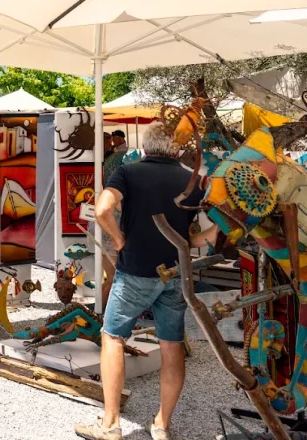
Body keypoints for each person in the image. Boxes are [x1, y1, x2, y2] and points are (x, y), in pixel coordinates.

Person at [75, 123, 216, 440]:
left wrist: (119, 238)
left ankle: (110, 425)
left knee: (113, 337)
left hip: (135, 272)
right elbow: (199, 238)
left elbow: (102, 210)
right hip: (176, 274)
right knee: (171, 345)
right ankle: (162, 425)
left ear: (145, 147)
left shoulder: (128, 171)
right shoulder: (191, 181)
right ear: (176, 149)